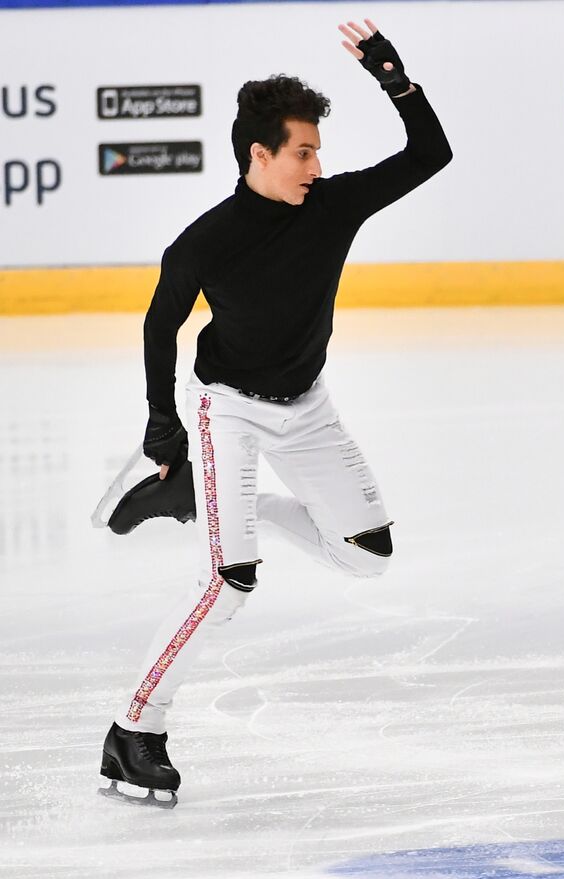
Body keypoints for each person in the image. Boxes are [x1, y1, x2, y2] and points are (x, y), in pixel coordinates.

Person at [98, 19, 452, 808]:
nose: (316, 165)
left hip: (310, 410)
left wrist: (395, 78)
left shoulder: (331, 206)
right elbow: (162, 323)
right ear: (258, 154)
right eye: (302, 151)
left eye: (318, 150)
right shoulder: (206, 240)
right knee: (227, 583)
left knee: (368, 554)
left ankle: (216, 504)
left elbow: (431, 155)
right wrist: (165, 426)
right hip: (231, 411)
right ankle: (134, 731)